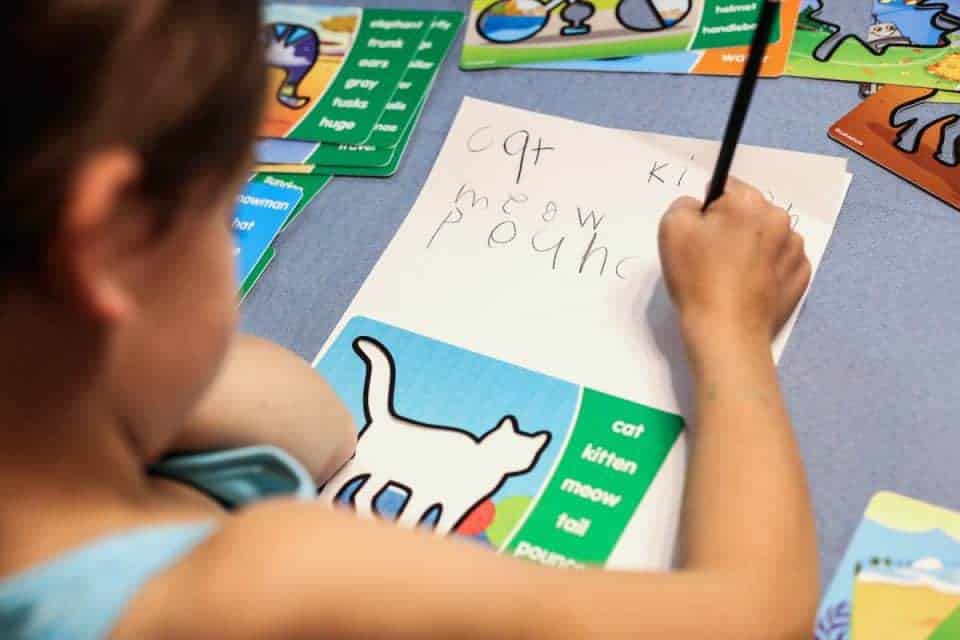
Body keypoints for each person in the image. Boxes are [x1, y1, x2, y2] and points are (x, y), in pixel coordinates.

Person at [0, 2, 817, 638]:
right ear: (112, 245)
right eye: (225, 210)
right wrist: (729, 329)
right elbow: (756, 616)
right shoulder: (263, 585)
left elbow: (318, 424)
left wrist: (89, 388)